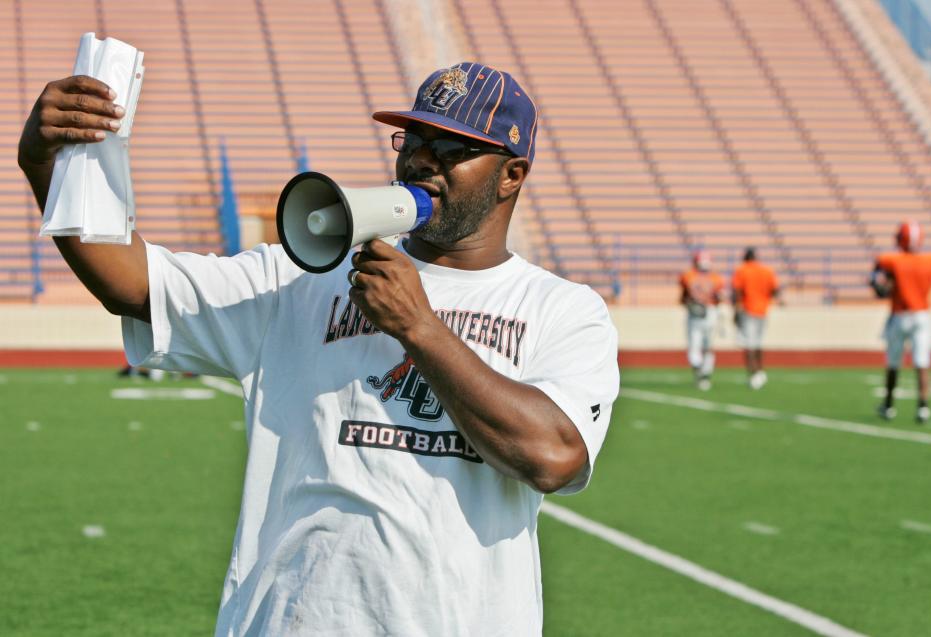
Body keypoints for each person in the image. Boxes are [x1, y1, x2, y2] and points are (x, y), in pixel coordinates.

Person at [18, 63, 619, 635]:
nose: (423, 161)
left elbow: (553, 456)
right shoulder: (301, 277)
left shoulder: (562, 309)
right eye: (413, 139)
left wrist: (421, 328)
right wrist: (48, 165)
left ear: (511, 175)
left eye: (455, 149)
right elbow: (133, 282)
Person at [871, 221, 931, 424]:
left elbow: (879, 283)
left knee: (893, 363)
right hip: (922, 315)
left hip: (900, 315)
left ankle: (888, 405)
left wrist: (884, 284)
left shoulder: (892, 260)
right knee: (922, 363)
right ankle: (923, 408)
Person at [731, 247, 779, 390]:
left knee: (749, 345)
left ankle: (754, 374)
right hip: (763, 311)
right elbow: (775, 290)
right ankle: (760, 371)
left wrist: (736, 309)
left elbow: (737, 291)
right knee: (758, 343)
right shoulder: (767, 271)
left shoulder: (742, 270)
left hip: (748, 310)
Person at [679, 249, 724, 390]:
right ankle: (705, 374)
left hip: (695, 314)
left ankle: (699, 371)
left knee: (694, 345)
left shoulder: (688, 276)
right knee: (708, 346)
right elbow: (719, 298)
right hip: (710, 312)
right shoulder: (716, 278)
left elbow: (684, 297)